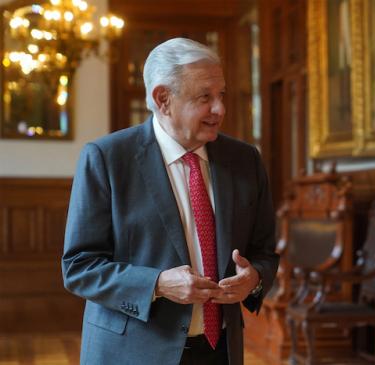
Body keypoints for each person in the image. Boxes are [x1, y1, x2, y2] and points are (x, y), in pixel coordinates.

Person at [62, 38, 279, 365]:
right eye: (205, 97)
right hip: (133, 351)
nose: (220, 109)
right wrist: (158, 284)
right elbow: (79, 267)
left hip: (221, 350)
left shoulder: (245, 160)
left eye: (221, 95)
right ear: (162, 99)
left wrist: (254, 279)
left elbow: (264, 251)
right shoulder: (107, 159)